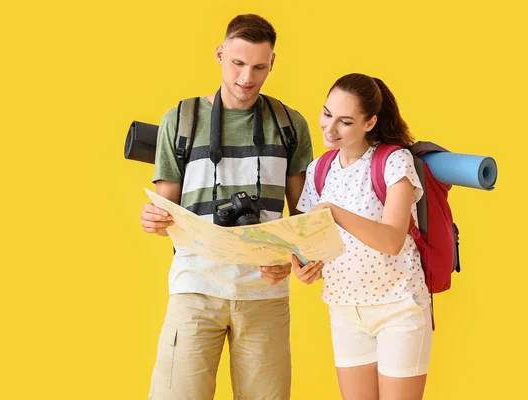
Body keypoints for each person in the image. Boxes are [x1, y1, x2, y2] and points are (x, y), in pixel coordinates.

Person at [139, 14, 313, 400]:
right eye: (237, 63)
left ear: (272, 64)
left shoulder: (290, 125)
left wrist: (294, 257)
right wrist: (151, 218)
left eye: (258, 67)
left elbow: (304, 217)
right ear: (220, 55)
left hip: (265, 296)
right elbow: (163, 207)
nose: (246, 78)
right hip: (194, 289)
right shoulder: (180, 120)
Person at [292, 73, 432, 400]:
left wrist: (335, 211)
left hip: (397, 308)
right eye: (327, 113)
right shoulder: (319, 168)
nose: (329, 128)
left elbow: (391, 240)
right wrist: (301, 264)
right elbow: (310, 239)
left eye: (345, 121)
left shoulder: (394, 162)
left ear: (369, 123)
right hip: (344, 309)